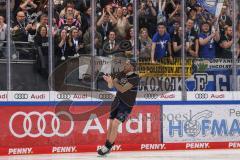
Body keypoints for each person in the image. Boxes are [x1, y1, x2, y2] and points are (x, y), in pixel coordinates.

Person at [97, 59, 140, 156]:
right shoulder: (121, 73)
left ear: (132, 67)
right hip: (117, 102)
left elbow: (122, 88)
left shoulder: (135, 77)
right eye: (125, 63)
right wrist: (109, 81)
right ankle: (107, 146)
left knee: (116, 123)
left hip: (126, 105)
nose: (125, 64)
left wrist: (113, 81)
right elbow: (111, 85)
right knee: (111, 124)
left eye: (127, 64)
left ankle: (107, 147)